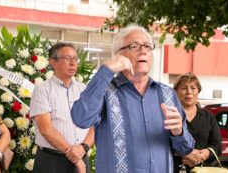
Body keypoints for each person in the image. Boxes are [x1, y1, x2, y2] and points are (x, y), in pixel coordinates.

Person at [71, 24, 194, 173]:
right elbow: (80, 118)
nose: (143, 51)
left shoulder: (168, 94)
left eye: (147, 46)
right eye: (134, 46)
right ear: (118, 55)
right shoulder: (105, 92)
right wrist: (105, 71)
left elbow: (185, 148)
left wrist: (178, 132)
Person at [30, 42, 95, 173]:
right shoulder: (42, 90)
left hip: (82, 156)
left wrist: (83, 148)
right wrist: (75, 158)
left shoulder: (85, 90)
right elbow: (46, 129)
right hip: (51, 161)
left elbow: (95, 125)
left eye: (75, 58)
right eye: (67, 58)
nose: (73, 63)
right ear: (53, 63)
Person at [173, 73, 222, 172]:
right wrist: (187, 154)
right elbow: (160, 144)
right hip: (173, 167)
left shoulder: (208, 116)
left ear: (198, 91)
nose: (189, 92)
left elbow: (217, 145)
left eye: (193, 88)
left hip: (202, 169)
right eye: (184, 88)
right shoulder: (170, 115)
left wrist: (205, 154)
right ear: (175, 92)